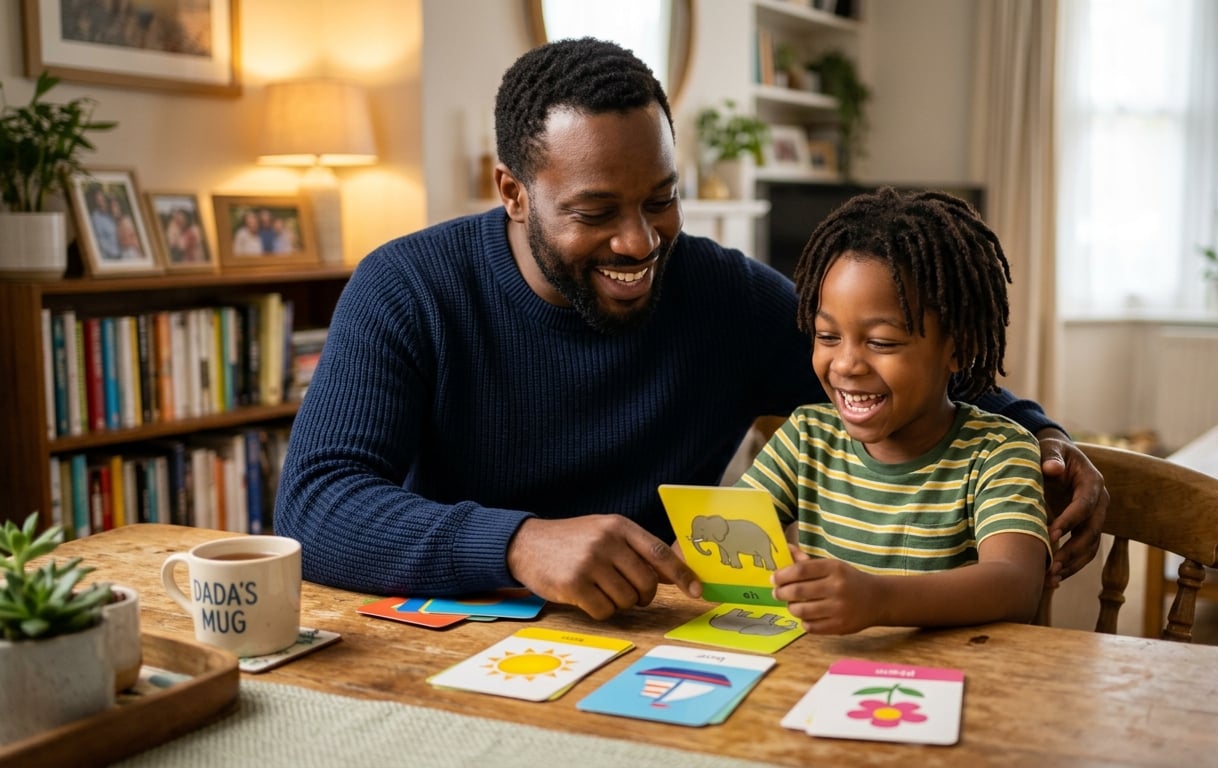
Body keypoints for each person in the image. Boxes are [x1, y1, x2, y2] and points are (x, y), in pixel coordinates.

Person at [274, 38, 1106, 622]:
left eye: (661, 199)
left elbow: (907, 370)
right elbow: (315, 506)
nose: (640, 242)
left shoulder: (720, 294)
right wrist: (519, 543)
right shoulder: (406, 288)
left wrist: (1047, 436)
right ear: (513, 192)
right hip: (453, 644)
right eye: (596, 212)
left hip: (655, 648)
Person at [739, 188, 1048, 635]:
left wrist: (879, 599)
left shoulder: (997, 452)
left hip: (953, 673)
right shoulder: (806, 437)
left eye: (882, 342)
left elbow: (1016, 586)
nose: (846, 364)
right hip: (822, 669)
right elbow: (715, 537)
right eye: (827, 337)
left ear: (958, 349)